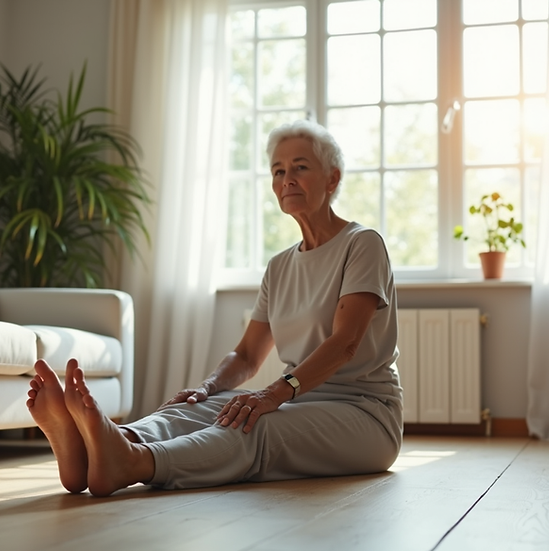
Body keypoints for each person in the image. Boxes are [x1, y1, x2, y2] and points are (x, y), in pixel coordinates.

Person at [26, 120, 403, 497]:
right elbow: (246, 354)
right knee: (204, 409)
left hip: (365, 413)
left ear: (332, 179)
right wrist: (206, 389)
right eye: (278, 170)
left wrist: (272, 394)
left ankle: (135, 462)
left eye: (300, 167)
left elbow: (346, 343)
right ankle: (100, 447)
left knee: (252, 423)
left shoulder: (362, 244)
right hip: (300, 399)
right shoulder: (280, 265)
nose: (287, 178)